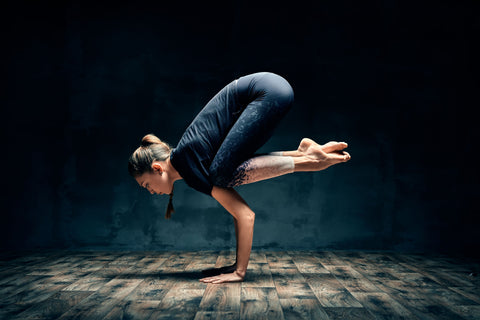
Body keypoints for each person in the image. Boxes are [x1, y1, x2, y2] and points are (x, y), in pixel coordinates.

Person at [128, 72, 351, 284]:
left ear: (157, 168)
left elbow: (246, 215)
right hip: (272, 89)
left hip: (267, 93)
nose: (149, 191)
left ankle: (308, 159)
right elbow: (238, 212)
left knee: (221, 174)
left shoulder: (188, 164)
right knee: (222, 171)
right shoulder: (190, 163)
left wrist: (239, 273)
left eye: (146, 184)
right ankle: (303, 154)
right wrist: (237, 265)